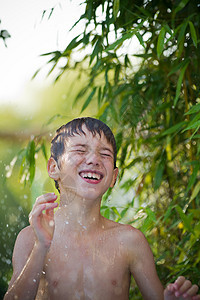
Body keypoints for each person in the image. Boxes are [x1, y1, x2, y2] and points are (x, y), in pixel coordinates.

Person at [4, 117, 200, 300]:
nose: (94, 159)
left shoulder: (130, 241)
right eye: (80, 151)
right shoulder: (31, 239)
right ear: (53, 168)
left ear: (114, 177)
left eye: (105, 154)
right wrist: (41, 247)